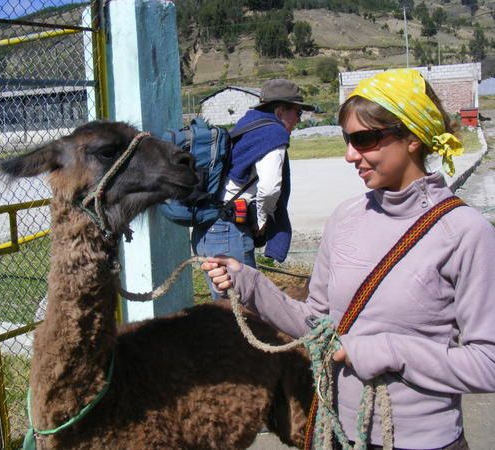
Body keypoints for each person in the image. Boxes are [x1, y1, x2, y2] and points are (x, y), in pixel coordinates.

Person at [202, 68, 495, 448]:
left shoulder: (465, 232)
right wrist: (248, 283)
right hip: (339, 435)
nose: (349, 155)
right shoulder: (344, 218)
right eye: (346, 139)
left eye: (365, 139)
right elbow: (317, 324)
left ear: (411, 138)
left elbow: (487, 364)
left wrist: (386, 351)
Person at [192, 79, 315, 278]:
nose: (299, 119)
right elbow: (270, 188)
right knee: (245, 305)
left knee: (227, 306)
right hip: (229, 232)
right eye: (297, 112)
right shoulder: (274, 132)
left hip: (210, 231)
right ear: (280, 112)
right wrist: (261, 220)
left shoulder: (248, 124)